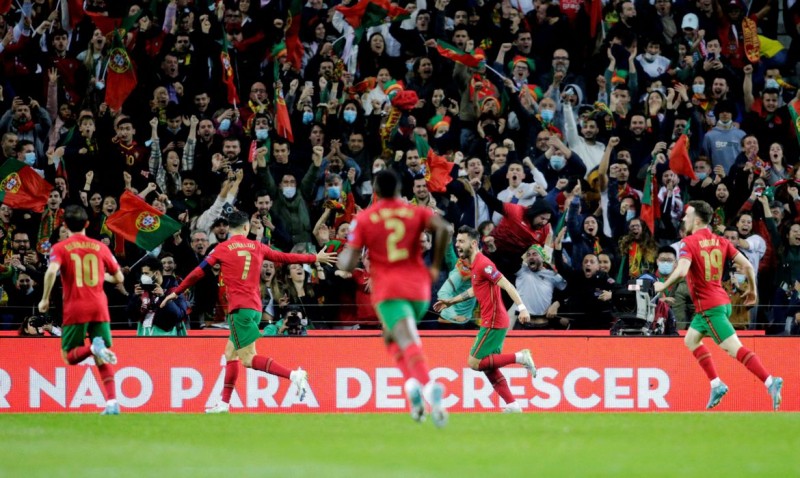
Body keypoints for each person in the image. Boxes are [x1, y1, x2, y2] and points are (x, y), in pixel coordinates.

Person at [161, 211, 337, 413]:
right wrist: (314, 257)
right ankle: (224, 404)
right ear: (246, 228)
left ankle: (293, 375)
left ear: (228, 229)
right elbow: (285, 257)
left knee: (248, 359)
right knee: (230, 353)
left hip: (239, 310)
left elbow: (198, 272)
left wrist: (177, 291)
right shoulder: (257, 246)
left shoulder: (222, 248)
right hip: (254, 308)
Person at [338, 170, 452, 427]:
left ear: (376, 189)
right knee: (392, 337)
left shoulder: (366, 218)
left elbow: (349, 260)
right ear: (400, 188)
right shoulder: (415, 211)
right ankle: (412, 385)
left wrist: (347, 255)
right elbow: (444, 228)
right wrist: (434, 265)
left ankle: (428, 385)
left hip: (390, 289)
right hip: (420, 289)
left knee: (406, 339)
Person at [654, 200, 783, 410]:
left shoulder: (689, 242)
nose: (684, 219)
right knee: (691, 339)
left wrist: (663, 285)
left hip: (709, 308)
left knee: (735, 350)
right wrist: (753, 290)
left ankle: (770, 381)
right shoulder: (720, 241)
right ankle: (716, 384)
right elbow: (748, 266)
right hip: (721, 302)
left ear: (696, 219)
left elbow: (682, 271)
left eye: (687, 215)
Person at [433, 226, 537, 413]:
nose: (457, 245)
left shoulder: (483, 264)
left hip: (494, 320)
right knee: (489, 367)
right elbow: (476, 289)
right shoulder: (474, 265)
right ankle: (513, 405)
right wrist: (450, 301)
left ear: (473, 243)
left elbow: (506, 284)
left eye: (461, 241)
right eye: (456, 241)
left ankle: (521, 357)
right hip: (493, 320)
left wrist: (522, 308)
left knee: (474, 362)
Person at [37, 205, 125, 415]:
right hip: (100, 306)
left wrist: (45, 299)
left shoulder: (60, 247)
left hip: (76, 307)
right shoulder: (100, 247)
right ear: (87, 224)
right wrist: (103, 276)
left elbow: (51, 272)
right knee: (102, 355)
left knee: (69, 356)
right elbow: (119, 278)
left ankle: (92, 348)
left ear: (65, 225)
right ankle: (112, 403)